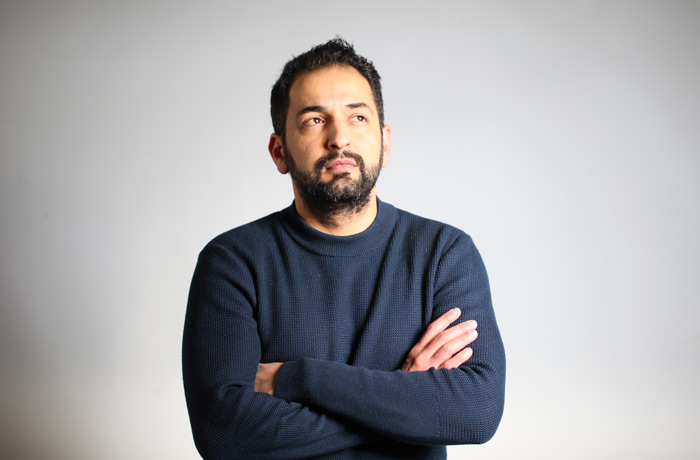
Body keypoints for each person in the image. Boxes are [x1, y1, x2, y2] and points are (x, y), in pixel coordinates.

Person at [182, 38, 506, 460]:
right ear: (280, 152)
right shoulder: (232, 262)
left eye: (358, 117)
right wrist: (403, 399)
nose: (339, 138)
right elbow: (223, 434)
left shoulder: (444, 254)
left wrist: (299, 379)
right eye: (314, 120)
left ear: (384, 143)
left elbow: (477, 412)